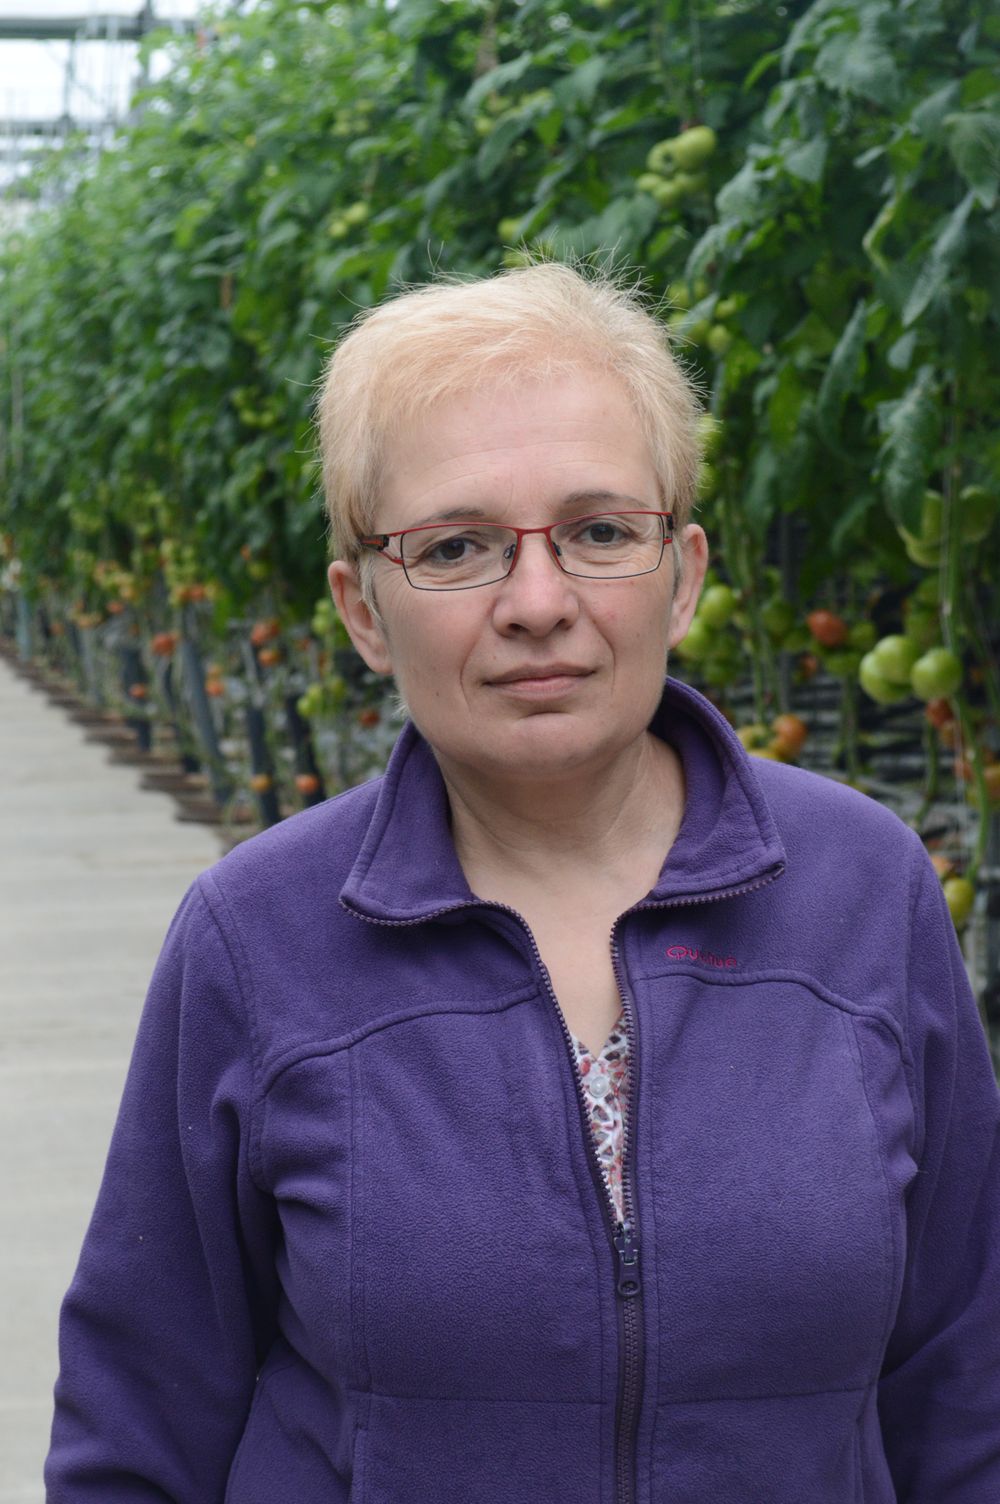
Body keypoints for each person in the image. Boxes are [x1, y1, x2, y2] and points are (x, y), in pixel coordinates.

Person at [46, 261, 1000, 1502]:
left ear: (683, 573)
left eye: (600, 532)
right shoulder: (255, 934)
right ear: (363, 610)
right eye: (457, 547)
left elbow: (968, 1383)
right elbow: (138, 1422)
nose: (537, 603)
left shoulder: (865, 887)